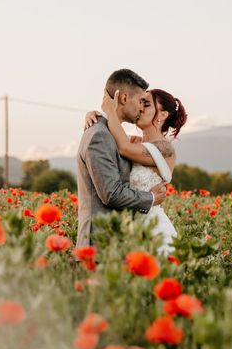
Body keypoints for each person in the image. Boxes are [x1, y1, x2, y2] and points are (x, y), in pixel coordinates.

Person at [84, 87, 187, 255]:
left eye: (146, 104)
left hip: (153, 231)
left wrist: (110, 110)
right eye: (140, 102)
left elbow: (123, 148)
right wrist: (95, 117)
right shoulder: (135, 142)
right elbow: (110, 140)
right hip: (130, 230)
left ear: (162, 115)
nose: (140, 108)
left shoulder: (164, 148)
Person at [76, 69, 168, 247]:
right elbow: (111, 193)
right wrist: (150, 198)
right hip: (98, 244)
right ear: (124, 98)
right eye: (141, 101)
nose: (141, 107)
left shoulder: (113, 134)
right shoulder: (100, 135)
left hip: (115, 242)